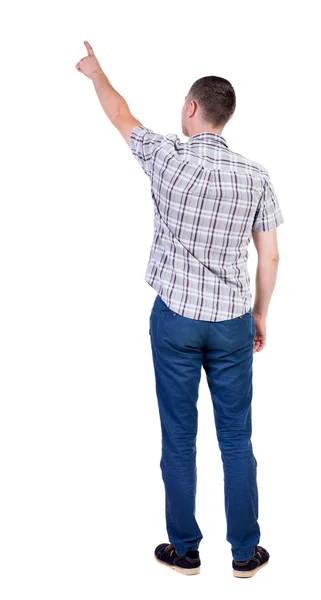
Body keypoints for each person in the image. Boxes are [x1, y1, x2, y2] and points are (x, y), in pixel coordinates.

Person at [76, 41, 284, 579]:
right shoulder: (256, 175)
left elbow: (120, 113)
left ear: (192, 108)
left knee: (179, 436)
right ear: (227, 116)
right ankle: (245, 554)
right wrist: (260, 315)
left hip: (175, 321)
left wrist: (98, 74)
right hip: (234, 322)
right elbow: (271, 256)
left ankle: (184, 550)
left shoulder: (166, 157)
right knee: (237, 438)